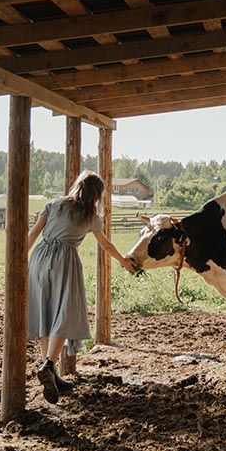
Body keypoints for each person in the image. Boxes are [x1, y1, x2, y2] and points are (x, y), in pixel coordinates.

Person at [26, 170, 132, 404]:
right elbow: (106, 245)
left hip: (39, 258)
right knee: (65, 314)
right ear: (97, 194)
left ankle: (50, 374)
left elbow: (33, 233)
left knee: (44, 313)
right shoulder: (91, 216)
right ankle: (49, 365)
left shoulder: (53, 204)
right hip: (65, 260)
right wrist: (124, 261)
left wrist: (17, 258)